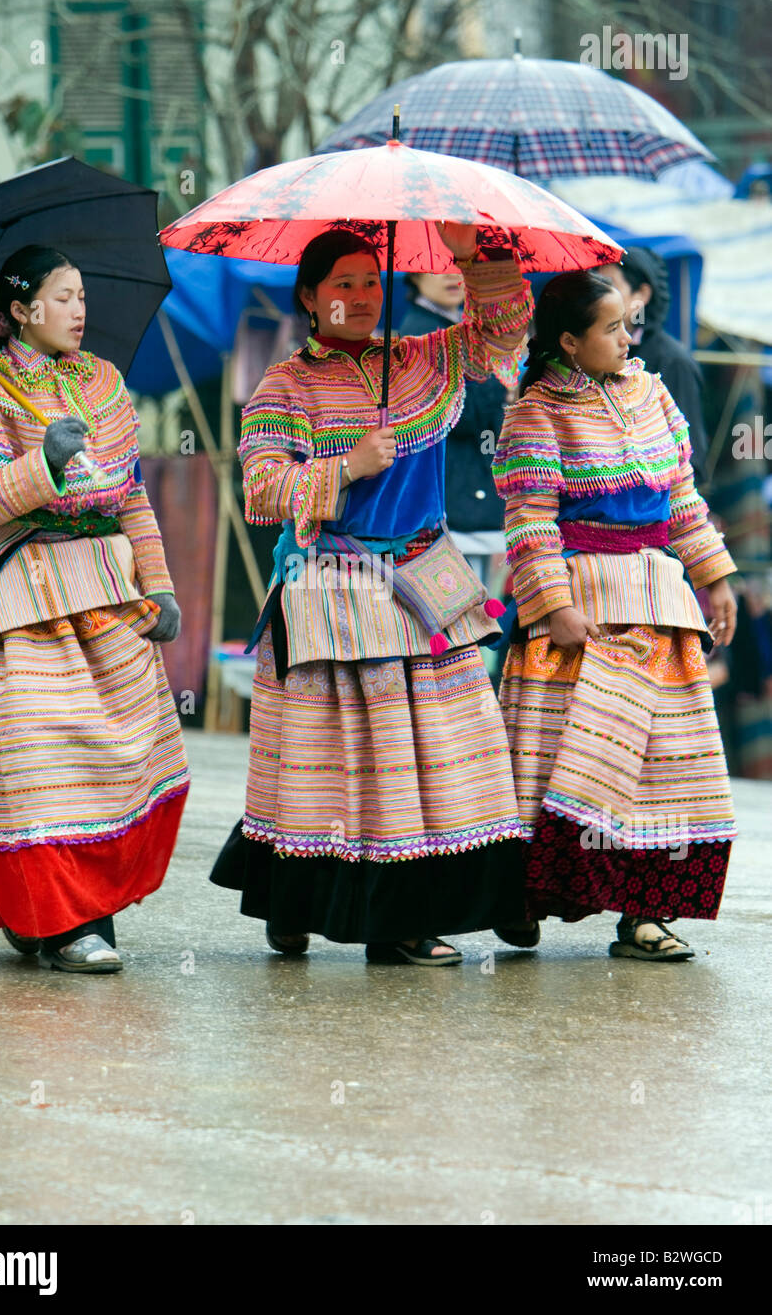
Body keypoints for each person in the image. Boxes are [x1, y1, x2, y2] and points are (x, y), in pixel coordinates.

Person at [210, 225, 536, 965]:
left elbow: (503, 334)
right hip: (334, 585)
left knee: (458, 749)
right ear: (309, 298)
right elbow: (262, 491)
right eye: (341, 286)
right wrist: (349, 466)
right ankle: (366, 917)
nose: (359, 298)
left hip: (426, 578)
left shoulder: (425, 358)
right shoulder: (285, 386)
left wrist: (474, 256)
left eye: (368, 282)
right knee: (356, 762)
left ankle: (453, 901)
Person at [0, 245, 190, 974]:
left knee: (118, 755)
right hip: (22, 599)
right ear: (21, 310)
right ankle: (70, 923)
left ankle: (69, 916)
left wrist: (161, 585)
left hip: (107, 590)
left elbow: (131, 491)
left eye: (82, 295)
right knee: (50, 762)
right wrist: (40, 465)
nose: (80, 310)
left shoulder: (103, 383)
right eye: (63, 296)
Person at [492, 269, 738, 961]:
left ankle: (646, 913)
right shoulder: (535, 411)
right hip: (582, 607)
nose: (629, 338)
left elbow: (683, 500)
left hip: (659, 600)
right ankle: (528, 894)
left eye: (628, 325)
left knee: (664, 765)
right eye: (611, 329)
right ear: (569, 341)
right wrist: (554, 608)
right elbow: (530, 523)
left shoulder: (654, 393)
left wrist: (716, 578)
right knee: (561, 761)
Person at [399, 271, 508, 589]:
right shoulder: (422, 334)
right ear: (415, 276)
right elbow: (461, 414)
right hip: (449, 495)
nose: (450, 275)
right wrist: (499, 384)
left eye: (458, 265)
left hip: (462, 490)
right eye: (435, 266)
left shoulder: (455, 328)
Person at [599, 246, 709, 481]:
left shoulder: (672, 360)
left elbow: (691, 458)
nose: (600, 297)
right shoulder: (595, 355)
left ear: (641, 295)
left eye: (609, 286)